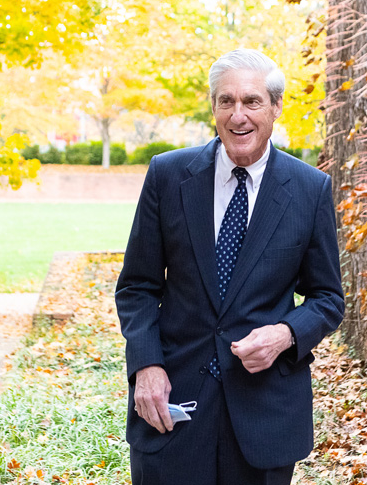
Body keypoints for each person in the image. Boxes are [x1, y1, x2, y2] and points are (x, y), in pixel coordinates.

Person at [115, 48, 344, 484]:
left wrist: (285, 334)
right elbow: (137, 287)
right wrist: (146, 366)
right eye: (226, 101)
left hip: (265, 418)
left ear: (276, 107)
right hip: (172, 408)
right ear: (214, 107)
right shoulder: (167, 175)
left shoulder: (310, 189)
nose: (238, 116)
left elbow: (328, 298)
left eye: (252, 101)